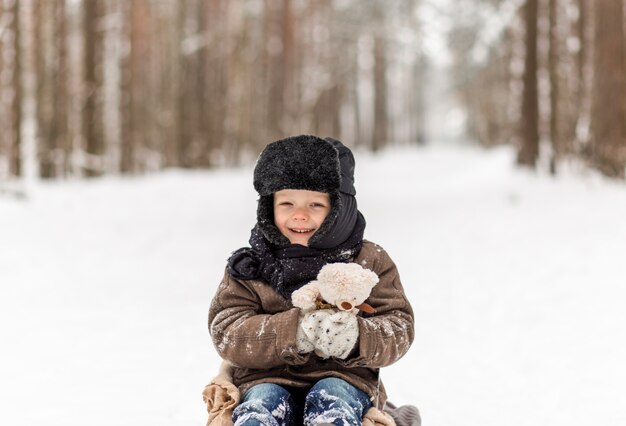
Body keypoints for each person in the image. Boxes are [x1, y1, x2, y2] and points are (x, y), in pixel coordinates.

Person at [208, 135, 414, 426]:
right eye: (287, 203)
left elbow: (399, 328)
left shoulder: (369, 261)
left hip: (345, 379)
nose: (300, 215)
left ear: (338, 208)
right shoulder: (250, 266)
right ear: (269, 207)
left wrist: (356, 337)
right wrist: (294, 332)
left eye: (315, 205)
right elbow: (227, 331)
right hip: (262, 378)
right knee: (261, 404)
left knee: (333, 398)